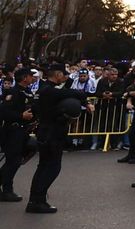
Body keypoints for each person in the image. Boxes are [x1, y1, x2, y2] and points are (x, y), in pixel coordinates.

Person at [26, 62, 78, 213]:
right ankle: (37, 199)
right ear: (58, 74)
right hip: (52, 133)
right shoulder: (50, 91)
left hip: (45, 131)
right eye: (64, 73)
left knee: (43, 166)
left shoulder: (43, 89)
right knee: (52, 167)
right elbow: (77, 93)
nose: (66, 76)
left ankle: (37, 199)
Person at [1, 67, 35, 202]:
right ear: (24, 78)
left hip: (23, 131)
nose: (32, 78)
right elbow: (4, 112)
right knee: (12, 161)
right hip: (12, 131)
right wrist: (21, 116)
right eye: (30, 76)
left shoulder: (27, 92)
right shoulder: (13, 93)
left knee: (29, 149)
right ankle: (7, 191)